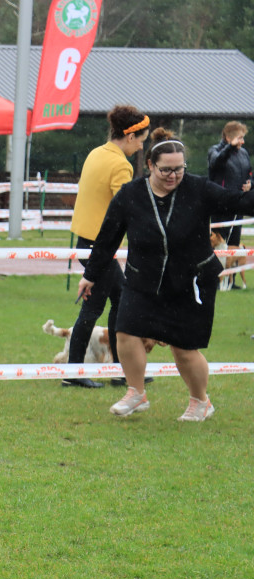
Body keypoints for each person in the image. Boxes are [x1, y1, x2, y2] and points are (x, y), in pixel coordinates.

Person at [78, 128, 254, 421]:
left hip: (192, 281)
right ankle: (136, 393)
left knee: (184, 349)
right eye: (166, 170)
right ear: (149, 165)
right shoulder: (130, 194)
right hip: (142, 279)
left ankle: (200, 401)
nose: (173, 175)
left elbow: (242, 203)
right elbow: (108, 237)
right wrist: (91, 275)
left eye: (179, 169)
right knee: (126, 331)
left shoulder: (200, 189)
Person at [62, 105, 150, 389]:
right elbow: (127, 209)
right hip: (100, 246)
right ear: (130, 135)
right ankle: (74, 372)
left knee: (119, 301)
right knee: (94, 309)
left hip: (88, 242)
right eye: (141, 139)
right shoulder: (120, 165)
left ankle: (118, 368)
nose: (142, 145)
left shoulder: (96, 153)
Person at [207, 120, 252, 289]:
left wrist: (250, 185)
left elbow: (249, 174)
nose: (243, 142)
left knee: (234, 243)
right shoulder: (215, 150)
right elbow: (215, 163)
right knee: (218, 243)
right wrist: (230, 148)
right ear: (228, 137)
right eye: (240, 138)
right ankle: (214, 279)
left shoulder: (244, 153)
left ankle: (230, 280)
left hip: (239, 203)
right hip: (220, 204)